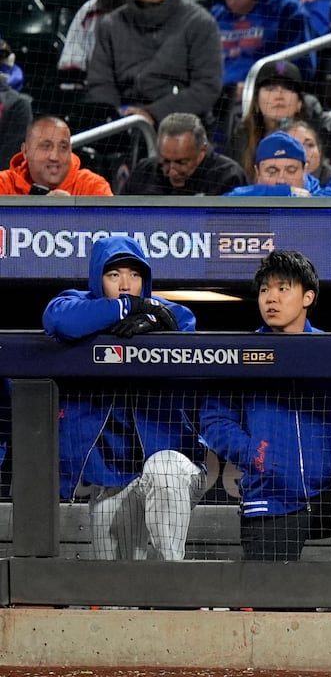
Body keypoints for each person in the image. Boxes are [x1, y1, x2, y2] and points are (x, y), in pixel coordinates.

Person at [42, 236, 203, 560]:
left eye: (135, 275)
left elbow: (183, 322)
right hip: (112, 478)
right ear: (97, 278)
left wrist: (154, 320)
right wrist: (126, 307)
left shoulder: (170, 312)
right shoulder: (78, 303)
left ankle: (173, 586)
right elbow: (58, 320)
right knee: (116, 591)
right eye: (114, 275)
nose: (126, 284)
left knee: (163, 470)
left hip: (172, 464)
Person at [200, 251, 331, 561]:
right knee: (271, 601)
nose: (270, 298)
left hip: (326, 493)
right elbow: (215, 421)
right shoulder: (242, 354)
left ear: (308, 297)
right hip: (271, 496)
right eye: (264, 290)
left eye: (282, 288)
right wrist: (255, 455)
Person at [85, 0, 224, 131]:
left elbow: (207, 87)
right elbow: (100, 83)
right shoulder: (111, 25)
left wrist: (153, 113)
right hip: (122, 125)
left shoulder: (199, 23)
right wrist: (116, 118)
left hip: (184, 125)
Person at [206, 0, 313, 103]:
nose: (230, 1)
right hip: (216, 99)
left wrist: (259, 85)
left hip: (266, 100)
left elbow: (300, 66)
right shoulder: (215, 16)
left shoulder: (287, 10)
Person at [124, 112, 245, 196]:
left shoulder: (227, 176)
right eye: (165, 161)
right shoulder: (144, 172)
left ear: (202, 150)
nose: (172, 171)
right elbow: (118, 218)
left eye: (181, 162)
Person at [0, 116, 111, 196]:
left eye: (63, 147)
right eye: (45, 146)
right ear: (25, 151)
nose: (55, 157)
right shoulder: (4, 184)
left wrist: (72, 212)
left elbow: (113, 225)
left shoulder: (92, 186)